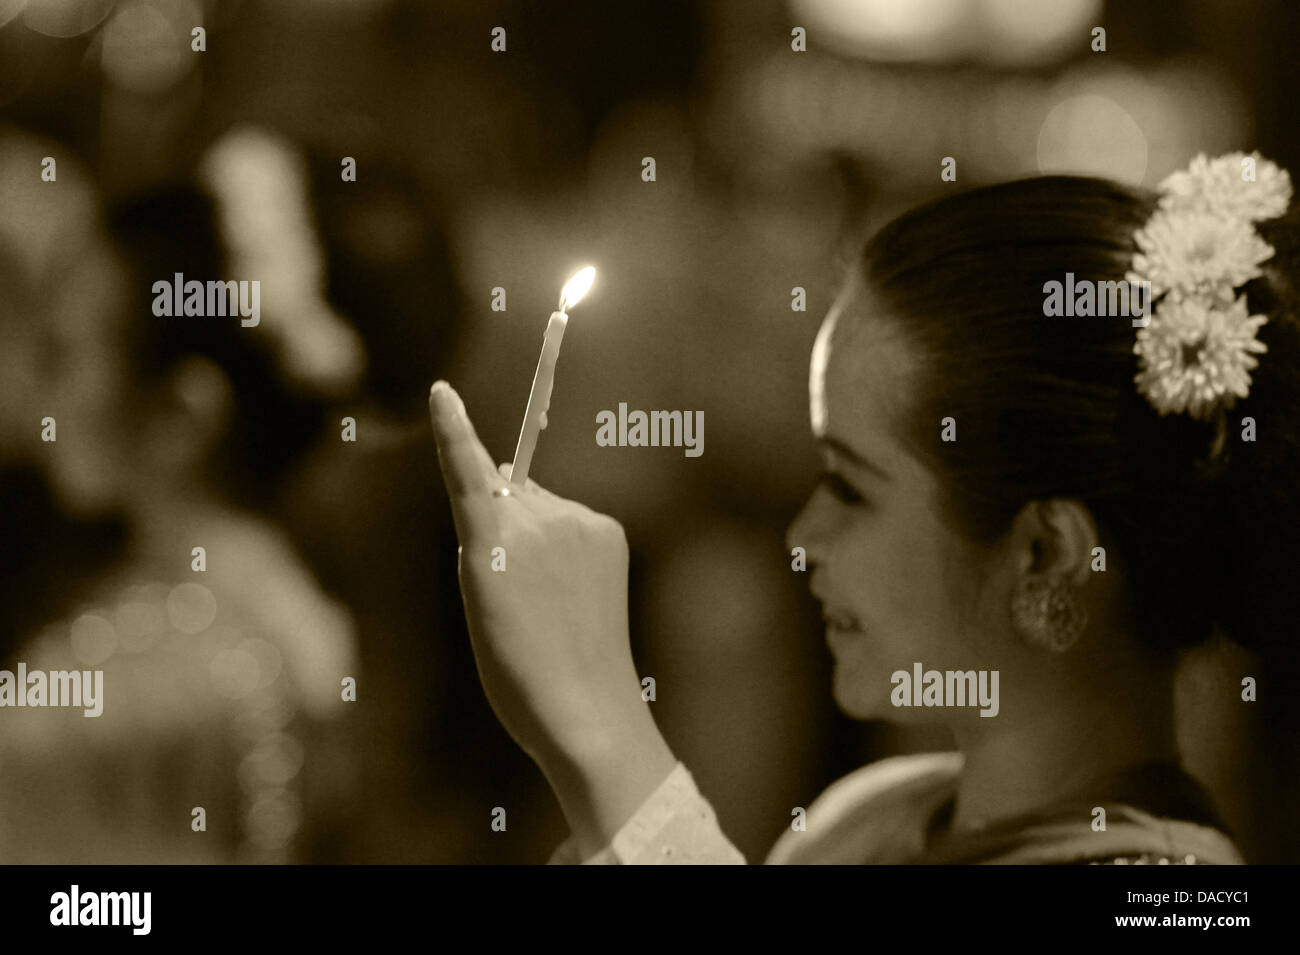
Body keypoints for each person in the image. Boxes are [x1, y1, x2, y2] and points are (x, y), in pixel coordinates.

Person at [427, 153, 1299, 864]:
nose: (804, 536)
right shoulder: (869, 817)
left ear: (1044, 553)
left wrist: (603, 732)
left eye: (850, 485)